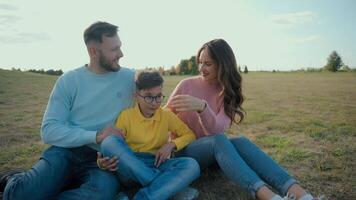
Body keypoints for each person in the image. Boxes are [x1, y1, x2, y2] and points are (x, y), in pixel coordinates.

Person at [165, 39, 321, 200]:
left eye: (208, 64)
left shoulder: (227, 92)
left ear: (222, 64)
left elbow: (214, 131)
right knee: (219, 140)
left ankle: (303, 196)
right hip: (183, 152)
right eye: (200, 62)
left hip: (211, 155)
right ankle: (270, 197)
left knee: (242, 142)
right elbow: (162, 117)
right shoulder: (186, 85)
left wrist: (202, 107)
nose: (201, 68)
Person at [0, 21, 135, 200]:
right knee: (23, 195)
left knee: (101, 193)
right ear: (93, 51)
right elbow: (49, 131)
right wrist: (96, 135)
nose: (121, 54)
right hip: (65, 152)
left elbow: (156, 100)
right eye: (114, 49)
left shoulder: (130, 78)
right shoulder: (69, 80)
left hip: (102, 160)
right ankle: (12, 178)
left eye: (120, 47)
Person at [98, 70, 200, 200]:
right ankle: (166, 186)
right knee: (109, 142)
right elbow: (115, 146)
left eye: (158, 96)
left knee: (191, 165)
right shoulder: (126, 116)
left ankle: (146, 195)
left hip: (157, 163)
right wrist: (101, 161)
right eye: (148, 96)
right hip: (131, 166)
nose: (154, 102)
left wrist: (171, 144)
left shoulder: (166, 115)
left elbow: (189, 134)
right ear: (136, 96)